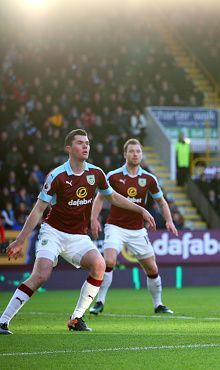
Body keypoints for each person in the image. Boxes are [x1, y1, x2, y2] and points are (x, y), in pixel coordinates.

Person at [0, 129, 156, 335]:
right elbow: (38, 209)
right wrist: (20, 240)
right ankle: (3, 321)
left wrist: (141, 209)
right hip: (53, 232)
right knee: (41, 275)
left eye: (88, 143)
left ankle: (76, 319)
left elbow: (114, 197)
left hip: (78, 236)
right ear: (68, 148)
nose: (86, 147)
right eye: (80, 143)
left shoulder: (96, 174)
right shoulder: (57, 175)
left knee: (99, 265)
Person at [89, 139, 178, 315]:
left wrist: (169, 220)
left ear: (141, 154)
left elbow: (161, 201)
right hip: (115, 226)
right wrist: (93, 218)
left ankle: (158, 304)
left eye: (138, 151)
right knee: (109, 261)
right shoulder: (113, 176)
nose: (135, 154)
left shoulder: (149, 178)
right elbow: (100, 198)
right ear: (125, 154)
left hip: (137, 230)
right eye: (131, 151)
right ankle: (99, 302)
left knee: (152, 269)